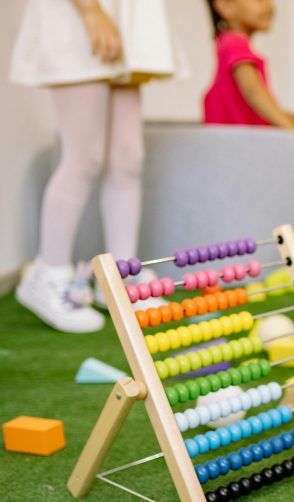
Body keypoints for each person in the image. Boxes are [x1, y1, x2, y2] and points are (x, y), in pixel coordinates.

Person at [11, 0, 181, 333]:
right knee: (84, 157)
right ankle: (49, 273)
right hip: (81, 15)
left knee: (127, 159)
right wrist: (90, 10)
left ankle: (121, 277)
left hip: (123, 19)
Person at [204, 0, 294, 145]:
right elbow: (254, 93)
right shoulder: (236, 45)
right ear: (225, 6)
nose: (269, 6)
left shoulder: (227, 44)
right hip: (243, 148)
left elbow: (258, 111)